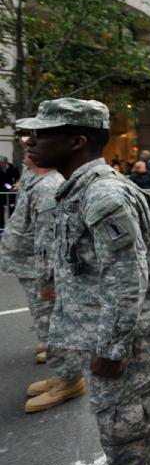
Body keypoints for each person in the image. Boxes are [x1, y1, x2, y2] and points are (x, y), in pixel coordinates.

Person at [19, 98, 150, 465]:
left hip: (125, 349)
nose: (30, 141)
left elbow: (127, 280)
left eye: (42, 133)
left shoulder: (103, 196)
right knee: (122, 446)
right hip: (106, 340)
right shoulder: (80, 190)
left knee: (136, 454)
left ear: (76, 141)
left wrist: (110, 350)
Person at [0, 141, 85, 412]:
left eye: (31, 149)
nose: (27, 152)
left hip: (40, 271)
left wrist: (48, 282)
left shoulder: (49, 186)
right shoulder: (36, 181)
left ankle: (70, 380)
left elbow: (49, 242)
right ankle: (62, 374)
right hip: (30, 267)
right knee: (47, 326)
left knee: (54, 327)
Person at [0, 154, 21, 230]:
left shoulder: (12, 167)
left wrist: (16, 185)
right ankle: (1, 227)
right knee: (0, 210)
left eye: (1, 163)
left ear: (5, 162)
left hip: (11, 192)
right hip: (1, 191)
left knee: (12, 209)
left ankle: (11, 227)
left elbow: (17, 177)